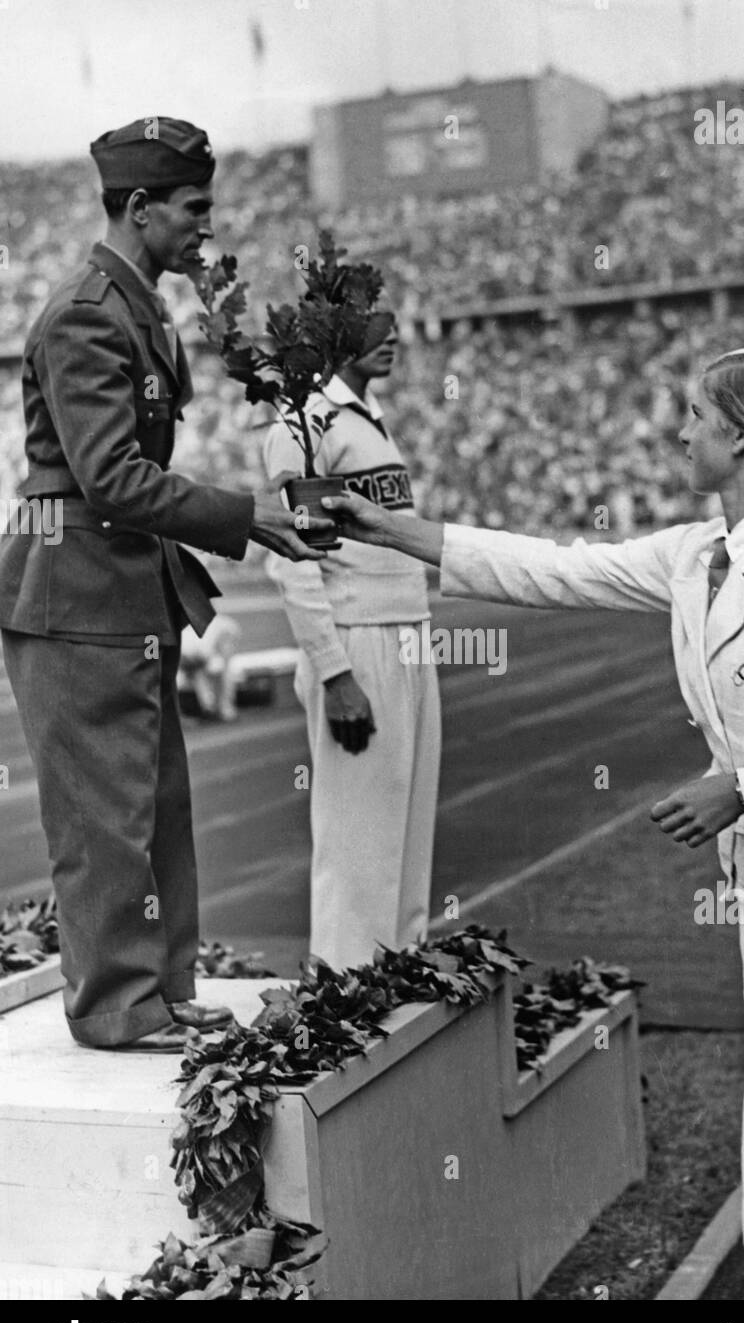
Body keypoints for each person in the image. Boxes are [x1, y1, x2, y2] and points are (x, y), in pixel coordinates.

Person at [324, 346, 744, 1301]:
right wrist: (397, 532)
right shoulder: (695, 554)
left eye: (692, 416)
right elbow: (553, 571)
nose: (675, 432)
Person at [0, 117, 327, 1051]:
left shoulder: (132, 302)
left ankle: (161, 985)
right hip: (74, 589)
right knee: (104, 814)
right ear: (140, 208)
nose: (204, 227)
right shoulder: (85, 313)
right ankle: (116, 1005)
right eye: (193, 208)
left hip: (114, 586)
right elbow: (110, 477)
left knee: (155, 803)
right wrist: (246, 515)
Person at [263, 297, 440, 971]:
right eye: (373, 322)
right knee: (358, 839)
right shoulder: (307, 420)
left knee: (407, 832)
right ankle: (345, 988)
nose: (391, 332)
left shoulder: (368, 420)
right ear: (335, 334)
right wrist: (335, 673)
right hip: (358, 639)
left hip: (408, 631)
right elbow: (293, 558)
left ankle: (400, 976)